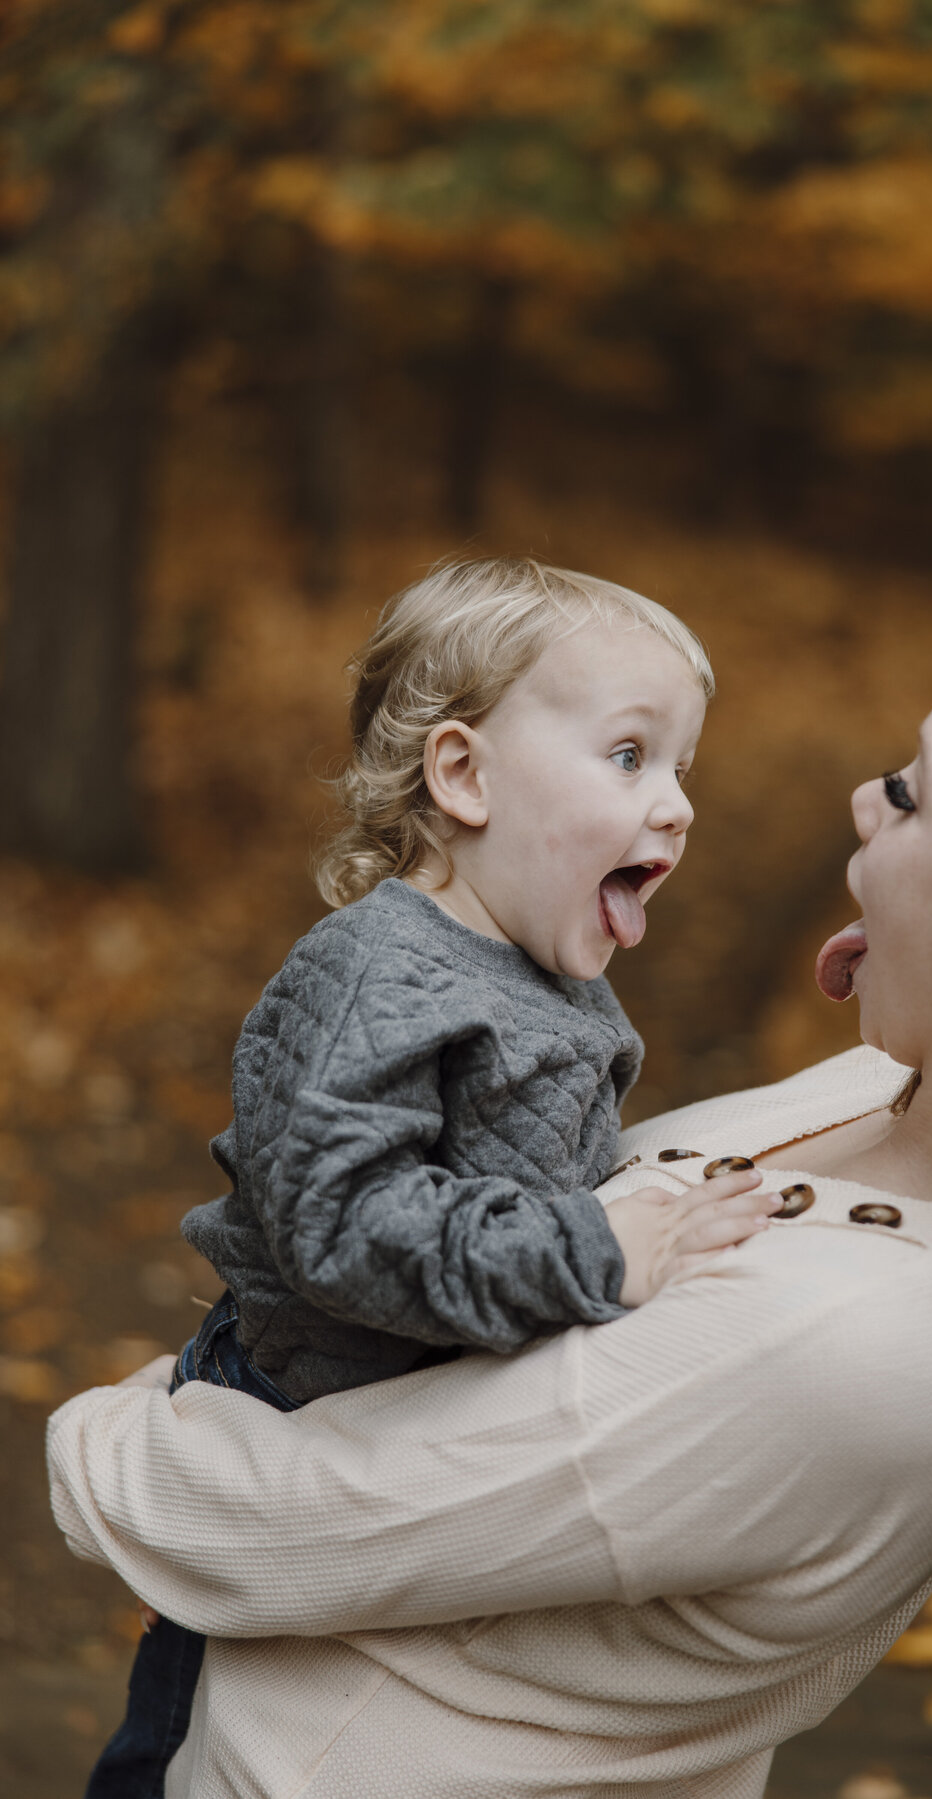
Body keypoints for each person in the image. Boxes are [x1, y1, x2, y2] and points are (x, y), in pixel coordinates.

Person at [49, 604, 932, 1799]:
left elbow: (299, 1521)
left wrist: (105, 1431)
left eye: (908, 797)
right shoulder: (885, 1089)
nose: (864, 798)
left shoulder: (858, 1347)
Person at [84, 556, 775, 1797]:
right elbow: (342, 1226)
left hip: (414, 1424)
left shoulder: (543, 973)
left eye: (684, 769)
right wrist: (598, 1249)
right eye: (630, 757)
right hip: (296, 1418)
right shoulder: (374, 975)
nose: (674, 806)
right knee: (185, 1732)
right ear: (463, 775)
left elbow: (528, 1163)